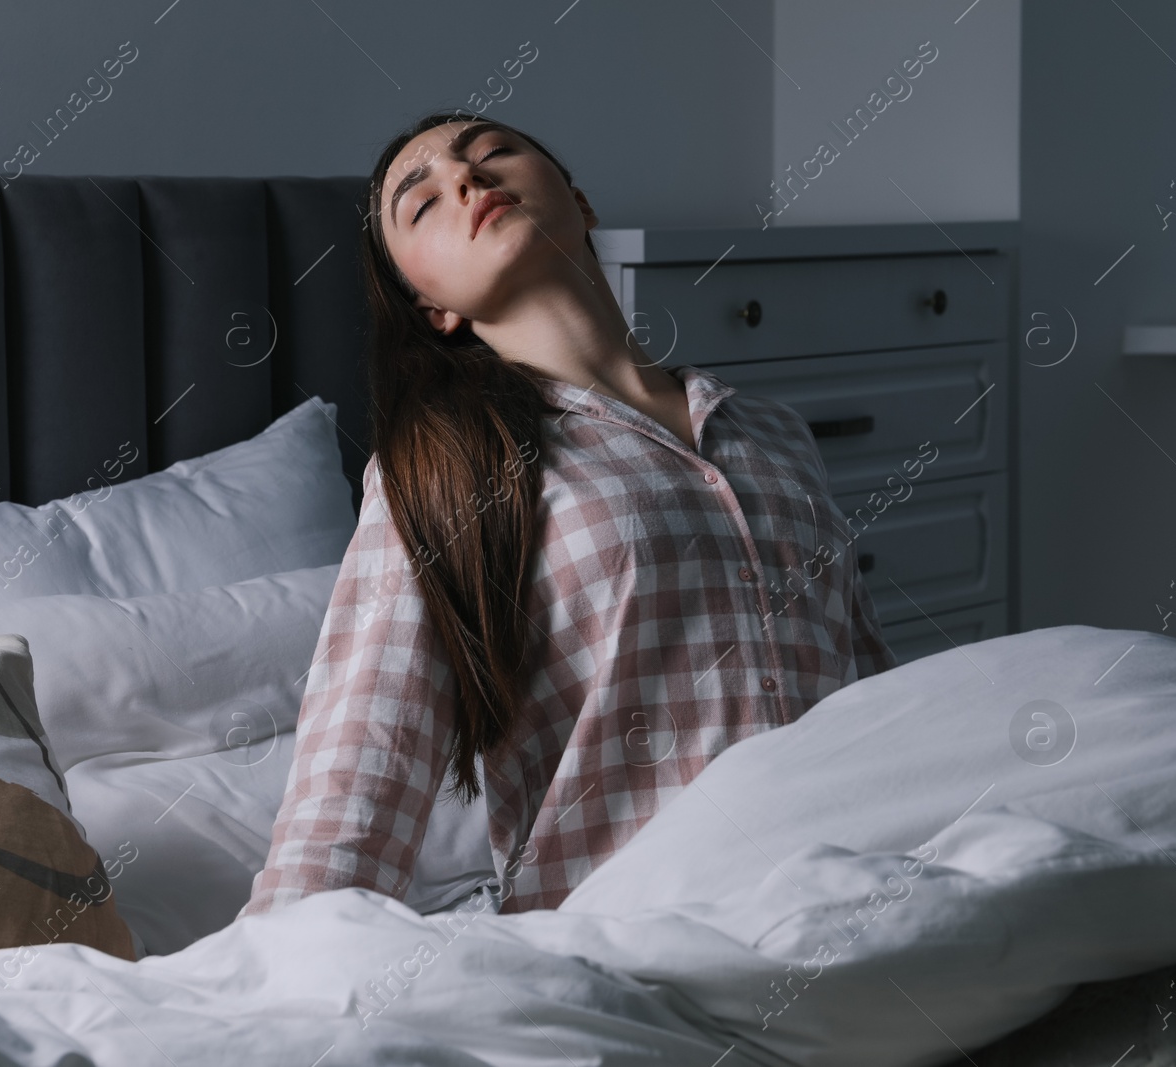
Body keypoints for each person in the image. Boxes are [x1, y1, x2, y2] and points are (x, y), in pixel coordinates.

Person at [240, 112, 895, 919]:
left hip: (862, 896)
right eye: (424, 203)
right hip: (640, 939)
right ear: (430, 306)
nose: (467, 181)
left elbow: (875, 696)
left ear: (580, 203)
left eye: (492, 154)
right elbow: (359, 781)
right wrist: (269, 984)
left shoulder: (774, 433)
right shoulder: (442, 474)